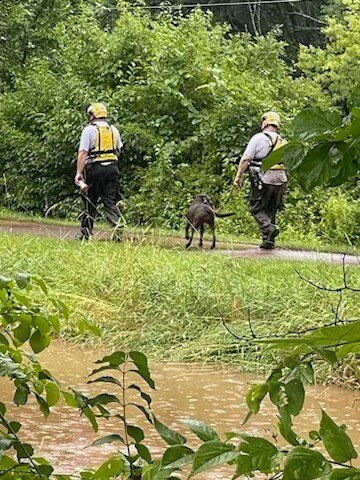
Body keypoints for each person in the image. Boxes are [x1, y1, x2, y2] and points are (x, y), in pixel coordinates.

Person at [233, 111, 287, 249]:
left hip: (263, 179)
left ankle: (269, 229)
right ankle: (268, 242)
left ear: (265, 122)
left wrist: (238, 176)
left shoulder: (258, 138)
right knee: (271, 210)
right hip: (281, 179)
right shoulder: (283, 141)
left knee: (256, 209)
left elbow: (246, 159)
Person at [75, 102, 123, 241]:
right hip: (112, 168)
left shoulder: (89, 130)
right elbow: (119, 149)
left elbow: (83, 152)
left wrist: (79, 172)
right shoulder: (113, 129)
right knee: (110, 200)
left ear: (92, 115)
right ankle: (117, 227)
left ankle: (85, 233)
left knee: (90, 200)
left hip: (95, 168)